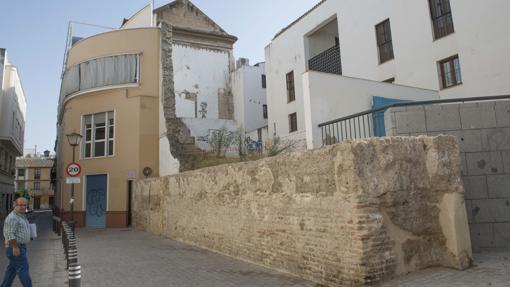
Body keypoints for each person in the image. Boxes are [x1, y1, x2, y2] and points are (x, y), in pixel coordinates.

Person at [0, 197, 32, 287]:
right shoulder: (13, 217)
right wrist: (15, 247)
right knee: (23, 270)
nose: (22, 207)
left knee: (12, 270)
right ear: (15, 205)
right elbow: (10, 234)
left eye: (24, 205)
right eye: (20, 205)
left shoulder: (21, 215)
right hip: (15, 247)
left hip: (19, 247)